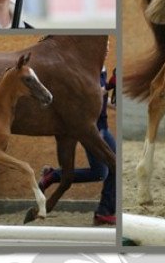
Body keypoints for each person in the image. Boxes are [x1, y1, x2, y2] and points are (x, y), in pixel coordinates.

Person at [39, 67, 117, 226]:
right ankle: (104, 212)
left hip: (102, 125)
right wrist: (105, 89)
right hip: (92, 128)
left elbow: (102, 98)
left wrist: (112, 103)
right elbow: (87, 97)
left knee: (100, 172)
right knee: (112, 166)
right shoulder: (85, 69)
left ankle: (53, 175)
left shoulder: (102, 71)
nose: (107, 46)